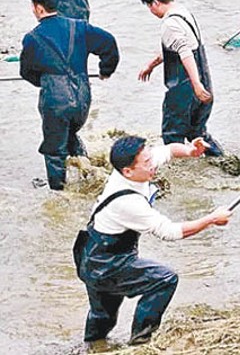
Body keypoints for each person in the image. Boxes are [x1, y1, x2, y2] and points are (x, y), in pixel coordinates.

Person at [75, 135, 231, 345]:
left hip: (92, 254)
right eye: (147, 163)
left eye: (150, 159)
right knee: (164, 279)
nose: (152, 165)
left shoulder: (138, 165)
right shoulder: (128, 203)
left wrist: (191, 151)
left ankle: (92, 346)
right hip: (107, 265)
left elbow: (168, 151)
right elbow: (170, 232)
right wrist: (211, 219)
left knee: (102, 315)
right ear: (128, 171)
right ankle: (141, 341)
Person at [19, 0, 119, 190]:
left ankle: (59, 193)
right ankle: (89, 174)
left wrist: (43, 81)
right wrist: (105, 70)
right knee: (71, 133)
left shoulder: (32, 38)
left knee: (54, 150)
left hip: (56, 100)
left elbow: (26, 72)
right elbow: (109, 43)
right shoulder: (80, 27)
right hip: (82, 96)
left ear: (38, 8)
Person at [139, 0, 223, 153]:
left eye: (149, 6)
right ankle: (222, 160)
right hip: (204, 83)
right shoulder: (184, 13)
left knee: (172, 136)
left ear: (155, 2)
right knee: (197, 133)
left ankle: (178, 177)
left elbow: (184, 52)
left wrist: (196, 85)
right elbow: (178, 47)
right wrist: (151, 65)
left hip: (185, 90)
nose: (151, 11)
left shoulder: (169, 24)